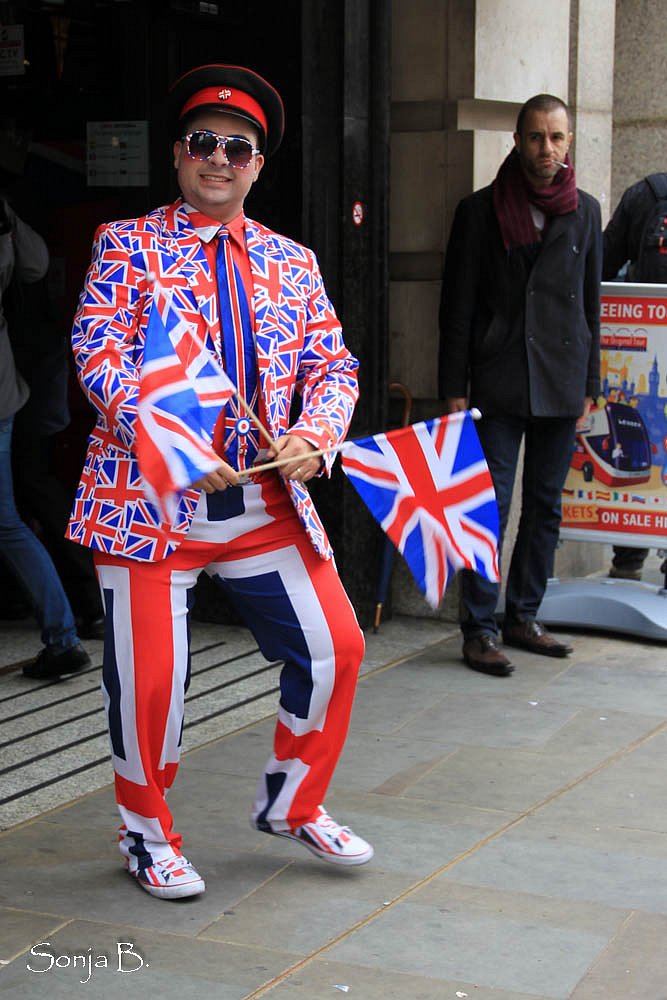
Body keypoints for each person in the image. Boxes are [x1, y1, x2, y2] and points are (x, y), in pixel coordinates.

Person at [66, 64, 373, 901]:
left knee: (334, 648)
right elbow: (99, 354)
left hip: (262, 504)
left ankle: (291, 803)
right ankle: (144, 832)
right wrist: (161, 432)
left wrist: (317, 433)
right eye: (203, 143)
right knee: (153, 683)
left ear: (257, 166)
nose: (219, 159)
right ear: (176, 155)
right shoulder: (127, 244)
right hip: (149, 507)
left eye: (237, 148)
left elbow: (333, 366)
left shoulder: (293, 262)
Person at [439, 93, 601, 677]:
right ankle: (478, 629)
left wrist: (592, 381)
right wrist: (453, 384)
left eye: (556, 138)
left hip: (560, 381)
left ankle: (523, 615)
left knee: (546, 507)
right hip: (499, 380)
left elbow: (590, 305)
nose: (546, 150)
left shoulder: (586, 210)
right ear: (517, 140)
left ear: (569, 142)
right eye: (536, 137)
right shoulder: (480, 211)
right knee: (489, 508)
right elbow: (456, 304)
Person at [0, 195, 90, 679]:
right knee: (11, 519)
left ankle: (65, 633)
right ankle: (65, 633)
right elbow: (33, 267)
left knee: (12, 516)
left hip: (13, 384)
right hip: (8, 387)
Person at [602, 173, 667, 580]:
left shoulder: (648, 194)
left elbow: (599, 269)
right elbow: (600, 270)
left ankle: (628, 561)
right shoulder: (648, 196)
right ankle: (628, 561)